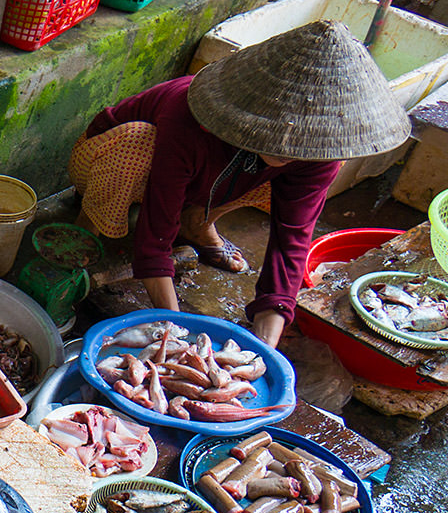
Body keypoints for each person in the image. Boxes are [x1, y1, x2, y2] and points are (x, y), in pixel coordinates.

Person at [68, 20, 410, 347]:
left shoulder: (319, 153)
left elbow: (292, 239)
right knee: (136, 143)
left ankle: (198, 223)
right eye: (275, 134)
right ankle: (87, 230)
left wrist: (268, 334)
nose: (285, 150)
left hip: (206, 181)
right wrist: (174, 329)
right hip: (111, 161)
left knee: (276, 181)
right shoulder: (188, 113)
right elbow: (155, 234)